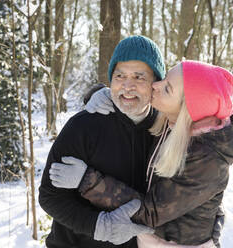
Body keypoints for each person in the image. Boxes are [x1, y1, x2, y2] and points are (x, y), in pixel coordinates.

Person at [49, 60, 233, 247]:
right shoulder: (169, 123)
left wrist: (87, 180)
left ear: (186, 109)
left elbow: (152, 212)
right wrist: (106, 94)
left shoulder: (205, 157)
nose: (156, 85)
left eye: (167, 88)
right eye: (165, 78)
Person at [39, 35, 166, 248]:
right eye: (119, 76)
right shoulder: (84, 126)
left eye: (139, 77)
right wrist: (99, 226)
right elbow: (50, 196)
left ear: (156, 83)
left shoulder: (165, 130)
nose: (127, 86)